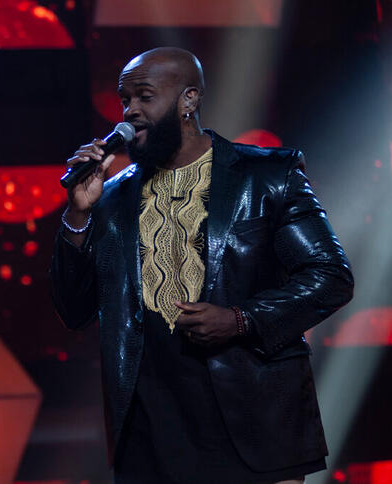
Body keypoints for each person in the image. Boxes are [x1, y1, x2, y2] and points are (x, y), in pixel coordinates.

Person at [50, 47, 354, 484]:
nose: (129, 112)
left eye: (144, 96)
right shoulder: (111, 197)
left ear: (188, 100)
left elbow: (330, 278)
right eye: (124, 100)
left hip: (250, 416)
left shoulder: (267, 175)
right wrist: (78, 216)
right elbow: (72, 308)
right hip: (150, 426)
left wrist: (240, 319)